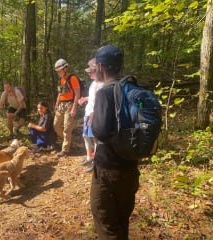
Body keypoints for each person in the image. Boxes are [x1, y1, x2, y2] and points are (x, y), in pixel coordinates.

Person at [91, 45, 140, 239]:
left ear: (101, 67)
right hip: (131, 167)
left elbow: (100, 132)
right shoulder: (133, 89)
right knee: (122, 219)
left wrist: (94, 118)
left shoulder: (104, 93)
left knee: (106, 221)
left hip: (108, 169)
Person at [78, 58, 104, 173]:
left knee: (95, 139)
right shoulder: (94, 83)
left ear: (97, 71)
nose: (89, 74)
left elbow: (100, 101)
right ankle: (89, 157)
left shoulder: (102, 84)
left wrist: (94, 115)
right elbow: (93, 98)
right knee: (85, 136)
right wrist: (85, 98)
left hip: (94, 114)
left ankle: (96, 162)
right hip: (88, 113)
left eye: (91, 72)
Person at [53, 58, 80, 157]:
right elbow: (60, 93)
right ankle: (67, 141)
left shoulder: (72, 78)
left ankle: (65, 150)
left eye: (60, 70)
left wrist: (74, 107)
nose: (59, 72)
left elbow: (77, 93)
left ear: (65, 69)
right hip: (61, 105)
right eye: (57, 71)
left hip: (70, 104)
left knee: (67, 128)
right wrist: (57, 103)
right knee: (56, 125)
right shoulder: (61, 79)